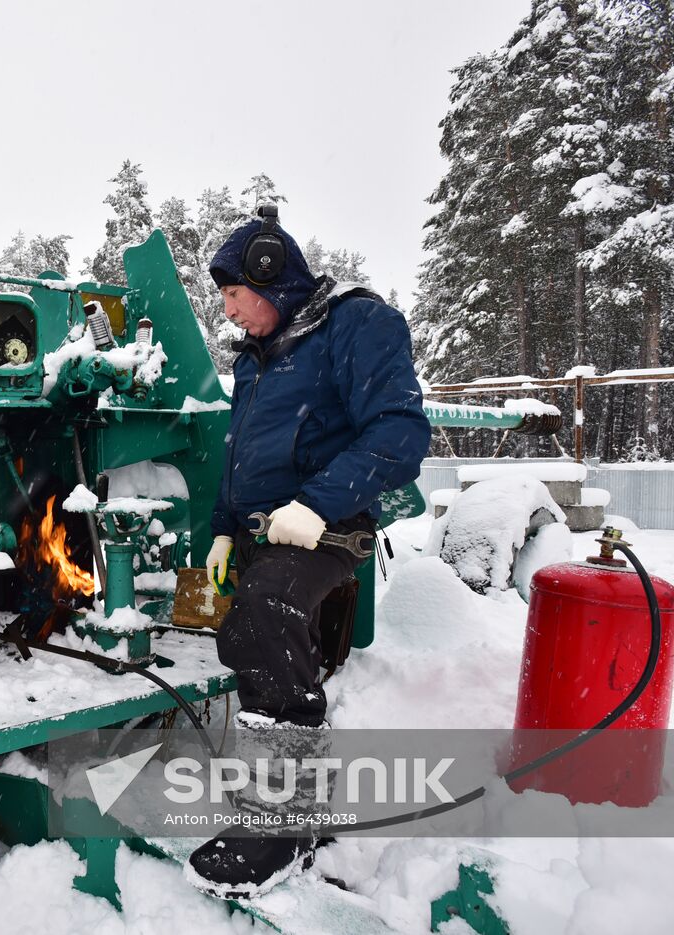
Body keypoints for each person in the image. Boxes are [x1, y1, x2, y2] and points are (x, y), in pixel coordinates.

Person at [187, 207, 431, 897]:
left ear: (272, 275)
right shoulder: (254, 361)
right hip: (270, 530)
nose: (230, 313)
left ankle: (288, 819)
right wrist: (224, 527)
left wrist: (316, 503)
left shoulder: (354, 323)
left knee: (262, 616)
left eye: (235, 295)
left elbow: (401, 433)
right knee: (244, 631)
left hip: (331, 524)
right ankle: (277, 802)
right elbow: (239, 458)